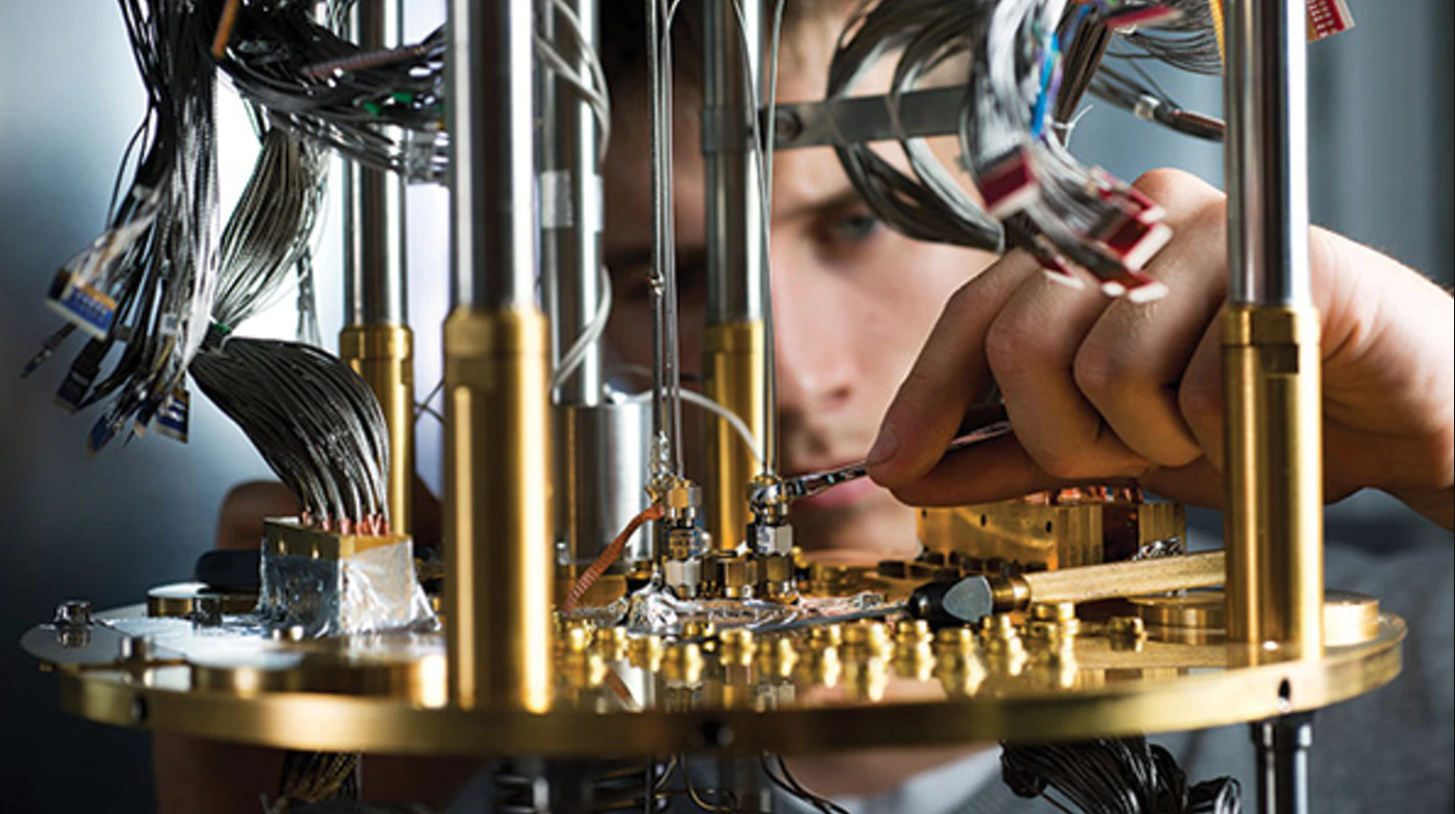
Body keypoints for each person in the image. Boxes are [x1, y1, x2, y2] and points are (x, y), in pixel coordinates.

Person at [162, 0, 1454, 811]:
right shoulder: (469, 768)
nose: (787, 377)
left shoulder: (1402, 674)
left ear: (1050, 207)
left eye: (852, 220)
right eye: (658, 274)